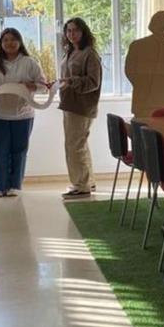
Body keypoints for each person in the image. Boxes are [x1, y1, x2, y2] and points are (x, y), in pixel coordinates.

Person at [0, 28, 46, 197]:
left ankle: (15, 185)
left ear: (20, 42)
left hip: (23, 114)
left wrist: (31, 86)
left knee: (19, 151)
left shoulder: (29, 62)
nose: (10, 43)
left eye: (14, 39)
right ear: (1, 43)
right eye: (6, 40)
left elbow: (43, 85)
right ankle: (0, 186)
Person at [59, 18, 102, 199]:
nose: (71, 34)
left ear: (83, 32)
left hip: (81, 106)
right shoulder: (71, 52)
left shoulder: (89, 54)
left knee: (74, 145)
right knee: (79, 144)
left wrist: (71, 81)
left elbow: (93, 82)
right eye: (68, 31)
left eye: (75, 30)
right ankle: (87, 181)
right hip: (70, 103)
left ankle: (80, 185)